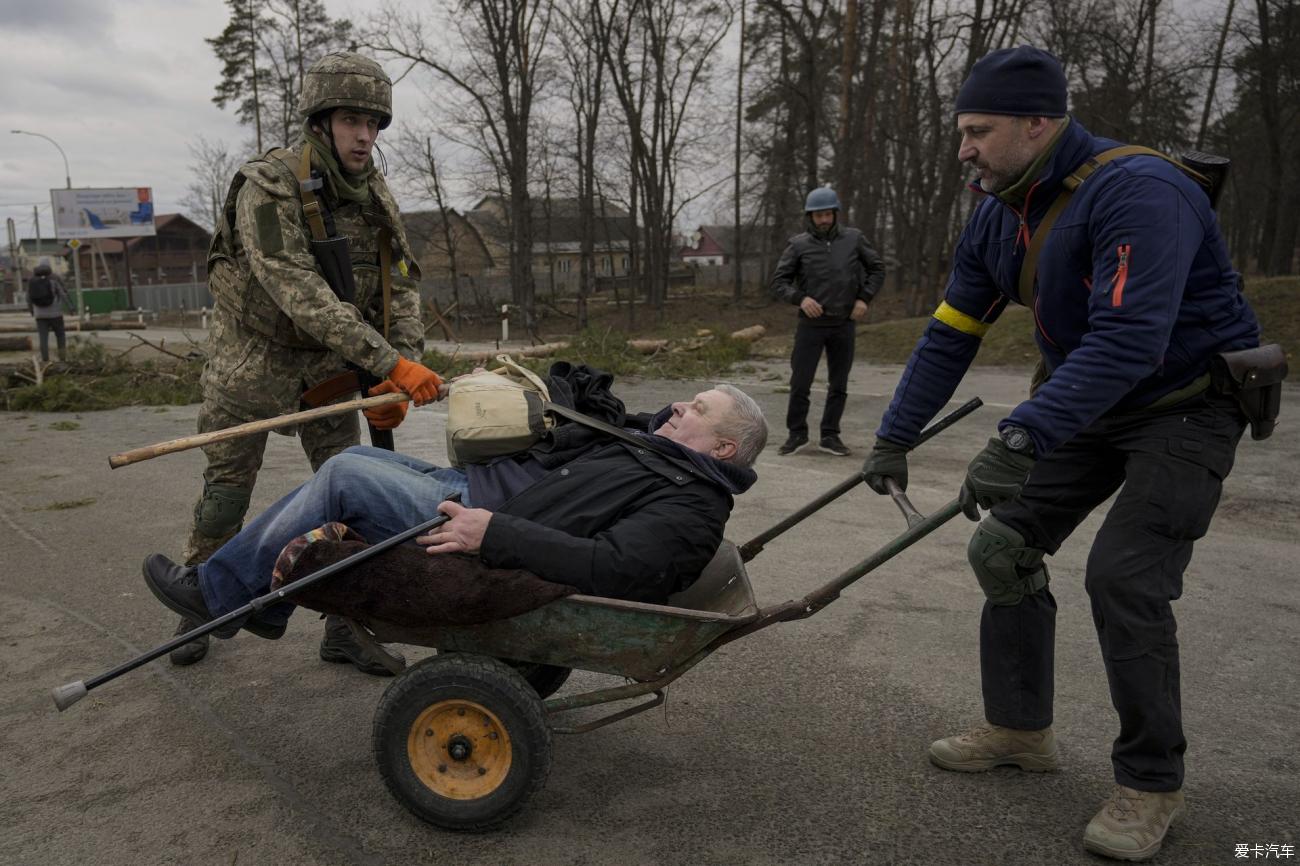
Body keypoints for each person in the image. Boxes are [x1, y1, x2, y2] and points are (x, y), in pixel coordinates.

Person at [860, 46, 1262, 862]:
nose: (964, 148)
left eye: (979, 131)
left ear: (1038, 124)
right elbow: (951, 333)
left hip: (1186, 407)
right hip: (1098, 402)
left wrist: (1022, 434)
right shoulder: (999, 210)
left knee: (1125, 577)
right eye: (962, 131)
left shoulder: (1143, 191)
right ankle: (1019, 731)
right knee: (1003, 548)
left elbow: (1129, 340)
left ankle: (1151, 784)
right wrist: (894, 433)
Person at [171, 50, 444, 674]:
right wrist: (385, 361)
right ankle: (198, 604)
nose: (366, 136)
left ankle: (345, 624)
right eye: (353, 120)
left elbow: (400, 279)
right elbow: (294, 286)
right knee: (226, 494)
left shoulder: (374, 191)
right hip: (254, 362)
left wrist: (403, 364)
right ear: (320, 120)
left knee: (351, 496)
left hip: (330, 365)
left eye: (375, 124)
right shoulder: (267, 184)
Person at [141, 385, 768, 638]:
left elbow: (621, 568)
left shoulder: (692, 503)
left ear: (723, 447)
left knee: (342, 473)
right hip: (481, 489)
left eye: (697, 409)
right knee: (357, 459)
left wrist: (494, 534)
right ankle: (257, 606)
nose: (679, 406)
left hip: (485, 516)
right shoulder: (660, 450)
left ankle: (217, 599)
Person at [771, 186, 886, 458]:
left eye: (827, 215)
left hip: (844, 322)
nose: (823, 220)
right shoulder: (798, 245)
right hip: (811, 325)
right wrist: (800, 298)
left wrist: (864, 298)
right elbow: (779, 282)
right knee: (800, 383)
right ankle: (796, 434)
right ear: (809, 217)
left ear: (835, 214)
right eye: (817, 216)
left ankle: (830, 435)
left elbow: (877, 268)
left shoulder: (854, 239)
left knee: (839, 384)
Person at [27, 261, 70, 363]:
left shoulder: (32, 282)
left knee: (43, 338)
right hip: (56, 314)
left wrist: (32, 311)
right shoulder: (53, 281)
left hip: (40, 316)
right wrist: (70, 308)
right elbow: (62, 294)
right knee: (60, 336)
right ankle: (62, 359)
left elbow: (28, 298)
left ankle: (45, 360)